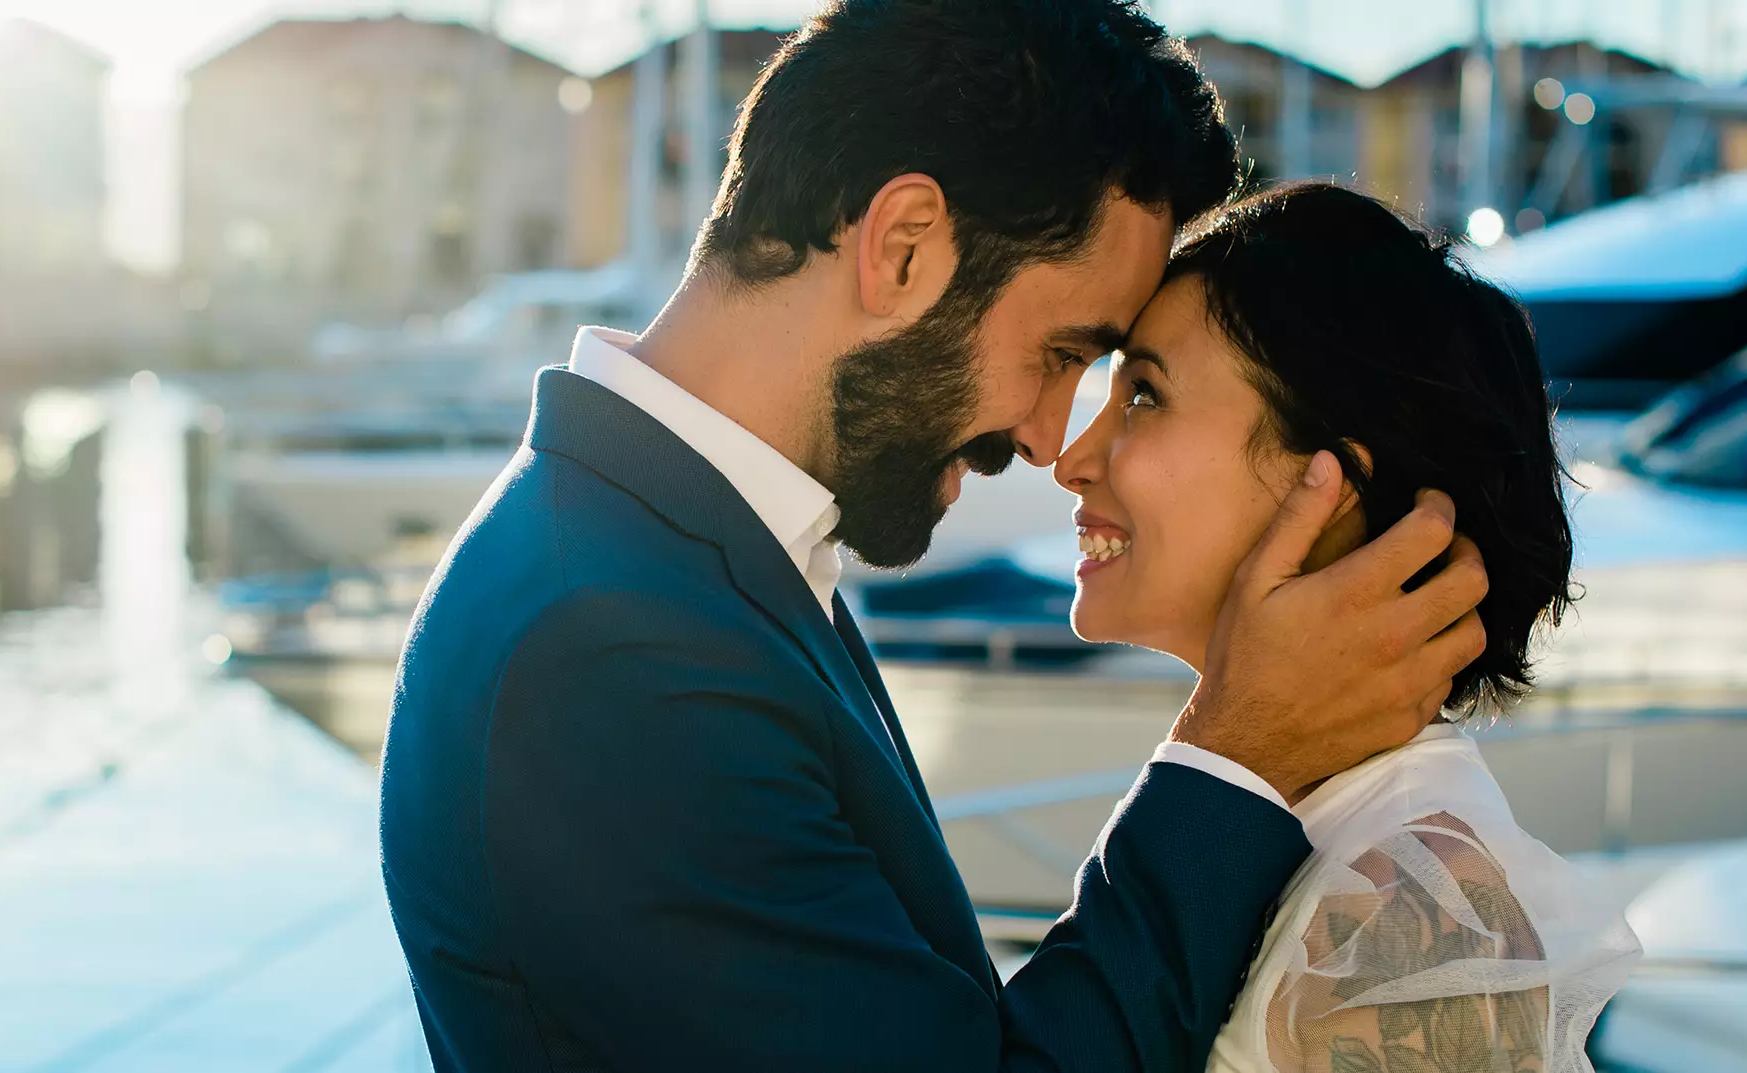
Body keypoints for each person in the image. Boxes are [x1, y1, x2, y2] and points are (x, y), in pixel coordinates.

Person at [379, 2, 1490, 1070]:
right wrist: (1242, 756)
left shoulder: (672, 555)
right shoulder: (610, 645)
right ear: (902, 245)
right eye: (1063, 353)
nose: (1053, 437)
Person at [1054, 182, 1643, 1073]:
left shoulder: (1406, 912)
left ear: (1328, 492)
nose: (1072, 459)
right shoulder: (1324, 835)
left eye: (1142, 395)